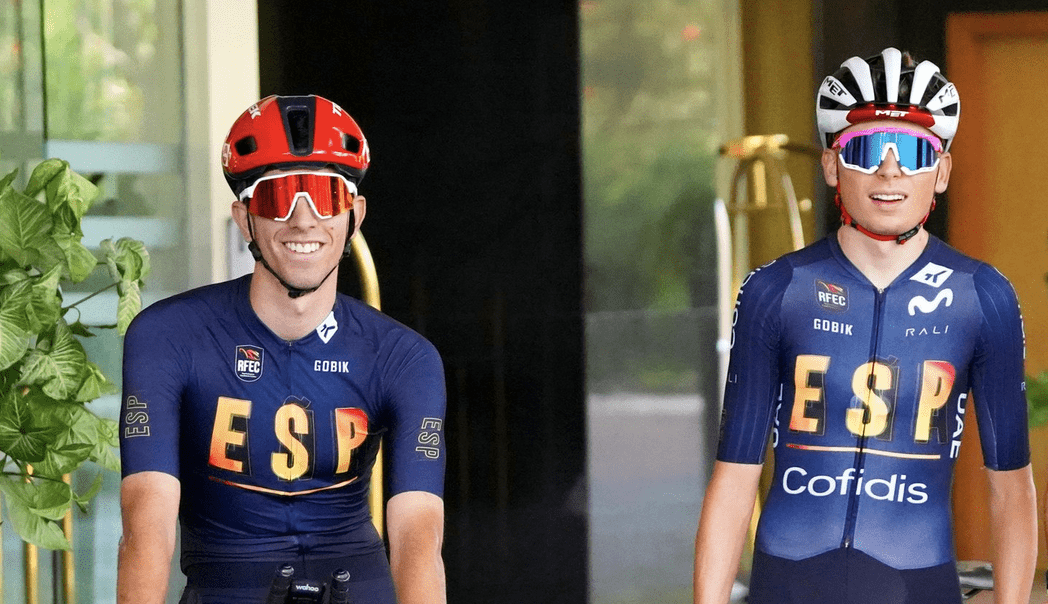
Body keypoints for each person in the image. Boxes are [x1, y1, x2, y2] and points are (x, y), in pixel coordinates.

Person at [694, 48, 1037, 604]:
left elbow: (1011, 488)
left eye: (915, 152)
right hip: (788, 584)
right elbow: (734, 477)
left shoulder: (982, 296)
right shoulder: (775, 289)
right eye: (867, 148)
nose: (890, 170)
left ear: (942, 172)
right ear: (832, 166)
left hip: (915, 585)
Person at [117, 94, 447, 604]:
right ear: (244, 217)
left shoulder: (406, 357)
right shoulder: (167, 336)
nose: (303, 219)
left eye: (325, 196)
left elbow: (418, 541)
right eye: (278, 197)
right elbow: (146, 526)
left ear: (354, 215)